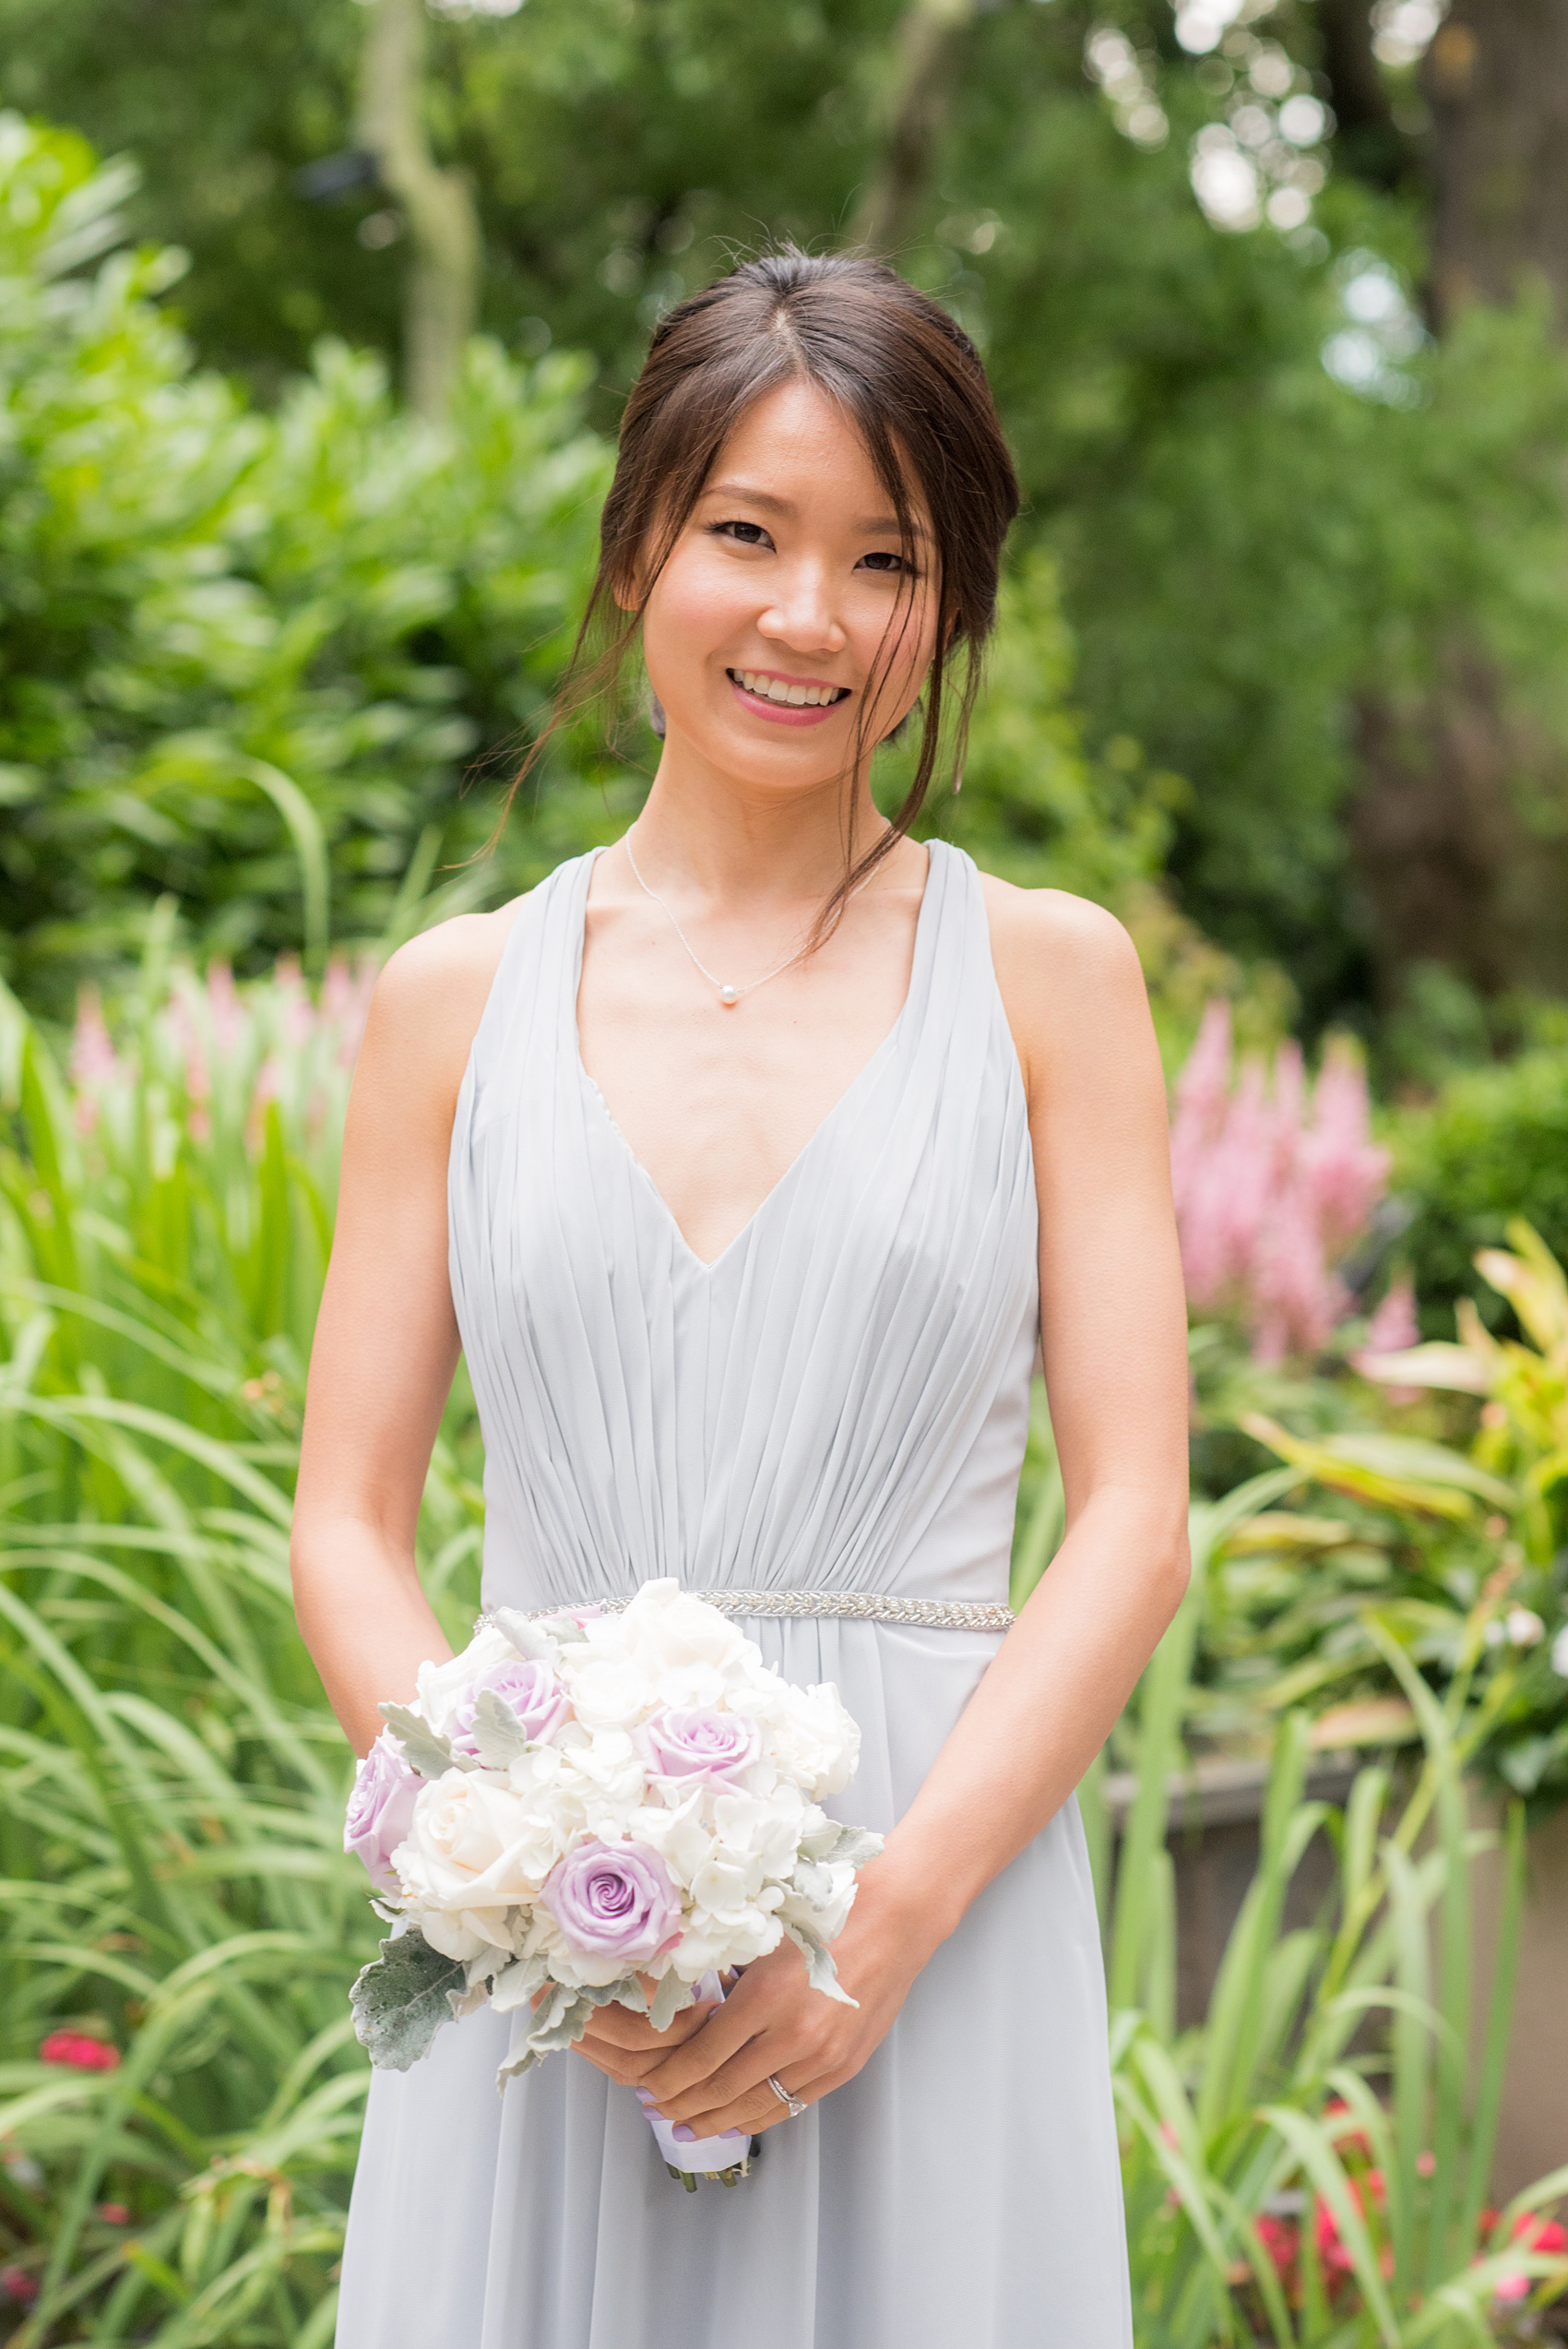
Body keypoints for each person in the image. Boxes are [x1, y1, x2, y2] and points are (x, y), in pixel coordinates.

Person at [292, 248, 1190, 2349]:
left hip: (927, 1921)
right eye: (746, 534)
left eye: (886, 558)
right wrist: (505, 1880)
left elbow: (1134, 1515)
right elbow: (346, 1512)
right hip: (544, 1987)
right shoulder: (449, 1002)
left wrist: (879, 1931)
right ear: (637, 552)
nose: (809, 616)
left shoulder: (1051, 981)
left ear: (951, 605)